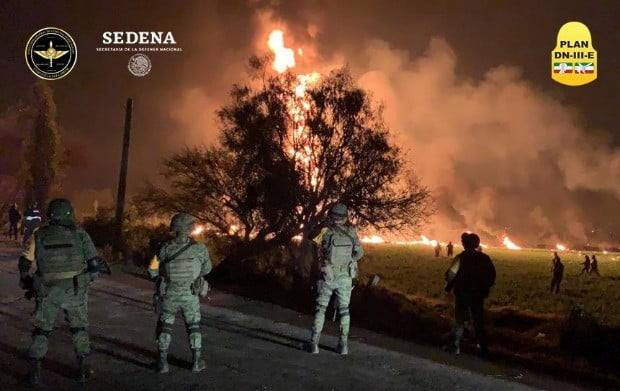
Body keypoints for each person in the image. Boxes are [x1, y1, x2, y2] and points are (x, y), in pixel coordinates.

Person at [18, 198, 100, 385]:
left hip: (47, 290)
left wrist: (27, 281)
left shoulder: (39, 234)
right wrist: (86, 280)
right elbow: (94, 267)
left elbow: (24, 262)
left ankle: (35, 372)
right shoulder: (81, 234)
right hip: (75, 290)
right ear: (70, 213)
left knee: (42, 329)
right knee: (78, 328)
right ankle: (82, 369)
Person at [148, 213, 212, 373]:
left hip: (170, 294)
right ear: (190, 229)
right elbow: (207, 269)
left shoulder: (165, 248)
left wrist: (160, 277)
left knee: (165, 326)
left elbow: (152, 269)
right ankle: (197, 362)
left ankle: (162, 363)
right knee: (193, 326)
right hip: (190, 294)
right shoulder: (199, 249)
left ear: (174, 228)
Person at [308, 203, 364, 355]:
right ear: (345, 217)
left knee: (321, 309)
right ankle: (343, 346)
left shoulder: (325, 232)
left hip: (328, 276)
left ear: (331, 216)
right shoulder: (351, 233)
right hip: (345, 277)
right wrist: (349, 261)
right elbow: (359, 254)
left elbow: (314, 246)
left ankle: (314, 345)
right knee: (344, 310)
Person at [444, 232, 496, 357]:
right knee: (478, 321)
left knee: (460, 321)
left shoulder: (460, 258)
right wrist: (484, 289)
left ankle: (455, 347)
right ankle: (483, 349)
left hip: (462, 294)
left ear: (464, 244)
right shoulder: (485, 258)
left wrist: (449, 285)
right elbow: (492, 275)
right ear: (477, 244)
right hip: (478, 295)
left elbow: (450, 275)